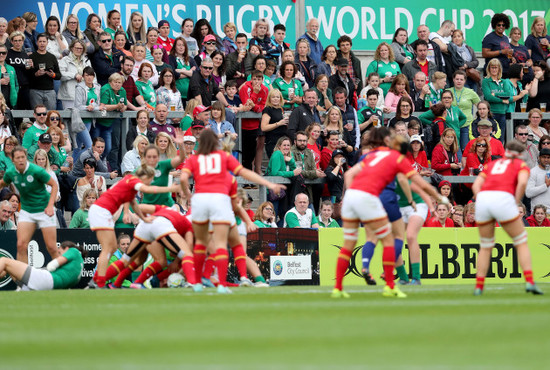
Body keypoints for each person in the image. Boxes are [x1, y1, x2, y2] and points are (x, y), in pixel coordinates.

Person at [332, 127, 447, 298]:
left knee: (350, 242)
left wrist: (346, 197)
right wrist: (440, 197)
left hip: (351, 197)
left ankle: (338, 289)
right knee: (390, 239)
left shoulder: (367, 156)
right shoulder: (395, 157)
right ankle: (390, 286)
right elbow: (419, 183)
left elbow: (349, 174)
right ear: (387, 141)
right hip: (370, 197)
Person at [180, 129, 285, 293]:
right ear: (216, 142)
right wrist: (270, 184)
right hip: (219, 199)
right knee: (221, 244)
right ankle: (221, 285)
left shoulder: (194, 158)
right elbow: (244, 172)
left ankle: (198, 284)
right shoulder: (223, 157)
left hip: (199, 200)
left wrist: (188, 196)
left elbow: (183, 178)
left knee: (201, 243)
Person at [89, 164, 180, 288]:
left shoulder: (130, 184)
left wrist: (144, 219)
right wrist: (169, 189)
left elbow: (134, 204)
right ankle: (98, 281)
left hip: (104, 211)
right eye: (150, 179)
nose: (150, 182)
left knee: (112, 248)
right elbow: (147, 190)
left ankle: (96, 280)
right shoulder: (133, 181)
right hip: (101, 210)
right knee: (107, 248)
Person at [472, 140, 543, 295]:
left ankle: (479, 286)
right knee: (521, 241)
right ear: (519, 155)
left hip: (483, 199)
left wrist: (483, 200)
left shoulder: (491, 165)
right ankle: (530, 282)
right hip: (503, 198)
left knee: (485, 246)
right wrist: (515, 201)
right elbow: (522, 183)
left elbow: (475, 186)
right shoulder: (520, 165)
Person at [0, 146, 58, 264]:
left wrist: (51, 205)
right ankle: (24, 281)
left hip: (44, 209)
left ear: (26, 158)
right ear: (13, 160)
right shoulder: (11, 173)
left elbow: (54, 185)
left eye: (23, 157)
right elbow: (2, 183)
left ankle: (65, 277)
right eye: (18, 158)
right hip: (27, 211)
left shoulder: (37, 171)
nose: (21, 160)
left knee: (51, 247)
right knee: (21, 245)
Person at [0, 240, 84, 290]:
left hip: (44, 279)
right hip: (44, 287)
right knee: (8, 269)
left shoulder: (74, 251)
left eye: (59, 252)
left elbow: (52, 265)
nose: (59, 255)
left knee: (4, 261)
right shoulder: (78, 268)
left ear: (67, 249)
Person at [95, 73, 127, 172]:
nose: (117, 84)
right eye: (115, 82)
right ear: (110, 82)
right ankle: (95, 166)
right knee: (95, 147)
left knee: (109, 147)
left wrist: (122, 108)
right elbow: (103, 106)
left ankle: (103, 166)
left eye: (119, 82)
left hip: (110, 123)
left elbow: (125, 105)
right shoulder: (106, 89)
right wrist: (117, 106)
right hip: (98, 123)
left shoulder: (122, 90)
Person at [239, 70, 269, 172]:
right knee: (244, 154)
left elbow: (261, 107)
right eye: (254, 79)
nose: (256, 81)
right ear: (251, 79)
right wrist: (255, 93)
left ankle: (249, 180)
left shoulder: (265, 90)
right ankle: (245, 180)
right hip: (242, 125)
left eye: (259, 79)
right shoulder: (245, 88)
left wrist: (254, 106)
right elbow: (247, 106)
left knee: (251, 153)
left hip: (255, 126)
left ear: (262, 80)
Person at [266, 136, 300, 220]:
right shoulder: (277, 154)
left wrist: (291, 161)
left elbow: (294, 170)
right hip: (273, 190)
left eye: (288, 145)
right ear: (279, 146)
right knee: (273, 215)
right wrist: (292, 173)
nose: (286, 147)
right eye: (284, 145)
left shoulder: (289, 155)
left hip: (282, 191)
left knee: (283, 216)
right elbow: (275, 173)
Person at [29, 33, 61, 110]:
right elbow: (27, 74)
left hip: (49, 91)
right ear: (37, 43)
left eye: (44, 41)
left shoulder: (52, 57)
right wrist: (36, 74)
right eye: (40, 41)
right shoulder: (31, 57)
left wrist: (52, 75)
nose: (42, 43)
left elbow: (59, 75)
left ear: (47, 43)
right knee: (37, 115)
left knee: (50, 115)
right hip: (35, 90)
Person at [482, 59, 511, 140]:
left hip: (502, 113)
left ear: (499, 69)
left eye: (496, 67)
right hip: (492, 113)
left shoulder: (504, 81)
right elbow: (488, 97)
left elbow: (508, 94)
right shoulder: (486, 81)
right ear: (489, 69)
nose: (494, 69)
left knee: (501, 139)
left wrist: (495, 94)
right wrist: (502, 100)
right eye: (492, 67)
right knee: (491, 138)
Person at [451, 70, 481, 150]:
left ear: (465, 81)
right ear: (453, 79)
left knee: (465, 148)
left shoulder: (470, 92)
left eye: (461, 79)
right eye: (457, 79)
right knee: (454, 148)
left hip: (466, 124)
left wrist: (477, 118)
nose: (459, 81)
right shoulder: (448, 92)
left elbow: (480, 106)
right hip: (452, 125)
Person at [58, 40, 90, 109]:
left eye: (80, 48)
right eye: (76, 48)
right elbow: (60, 74)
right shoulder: (65, 60)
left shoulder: (87, 61)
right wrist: (74, 75)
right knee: (69, 118)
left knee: (82, 117)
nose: (78, 50)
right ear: (72, 48)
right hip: (69, 95)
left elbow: (92, 75)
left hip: (83, 93)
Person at [169, 37, 197, 106]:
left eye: (183, 45)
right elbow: (174, 74)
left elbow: (196, 74)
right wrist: (189, 72)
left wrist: (181, 71)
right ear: (175, 47)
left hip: (190, 96)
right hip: (177, 95)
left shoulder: (190, 59)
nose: (181, 47)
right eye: (179, 45)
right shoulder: (171, 58)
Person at [261, 89, 288, 158]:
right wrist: (278, 123)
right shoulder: (268, 109)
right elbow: (263, 127)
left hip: (282, 141)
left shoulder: (281, 109)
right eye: (273, 97)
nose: (275, 99)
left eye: (277, 97)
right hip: (272, 142)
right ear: (269, 99)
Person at [525, 148, 550, 212]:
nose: (546, 160)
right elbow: (528, 193)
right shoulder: (533, 172)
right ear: (539, 158)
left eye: (548, 157)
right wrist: (545, 185)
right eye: (544, 157)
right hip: (537, 213)